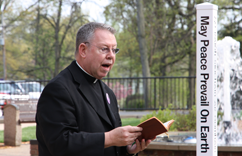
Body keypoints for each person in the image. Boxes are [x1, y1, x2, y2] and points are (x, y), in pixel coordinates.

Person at [36, 22, 154, 156]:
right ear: (83, 50)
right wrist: (109, 138)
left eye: (114, 50)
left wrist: (128, 150)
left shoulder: (107, 91)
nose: (111, 55)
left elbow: (113, 144)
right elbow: (60, 144)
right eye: (104, 49)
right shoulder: (58, 89)